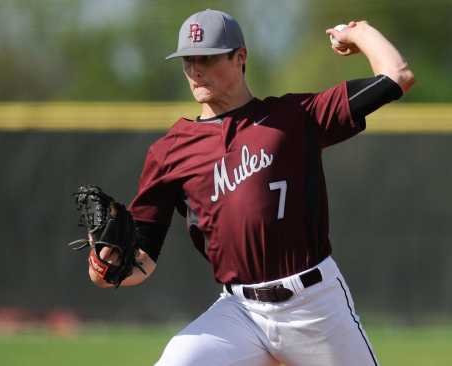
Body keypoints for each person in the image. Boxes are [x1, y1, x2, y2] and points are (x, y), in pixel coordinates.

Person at [88, 9, 414, 366]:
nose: (195, 69)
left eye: (207, 58)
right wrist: (106, 269)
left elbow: (396, 76)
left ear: (240, 57)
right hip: (241, 312)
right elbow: (143, 260)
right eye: (188, 59)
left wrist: (360, 33)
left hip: (315, 308)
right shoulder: (170, 151)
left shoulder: (293, 117)